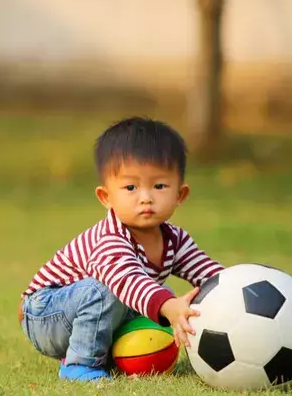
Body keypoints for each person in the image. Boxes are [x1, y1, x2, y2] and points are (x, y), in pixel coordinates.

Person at [18, 116, 224, 382]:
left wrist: (236, 288)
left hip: (85, 309)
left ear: (179, 195)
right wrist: (169, 306)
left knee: (163, 297)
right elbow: (127, 282)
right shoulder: (110, 239)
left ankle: (123, 356)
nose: (146, 197)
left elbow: (208, 274)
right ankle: (79, 364)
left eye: (159, 186)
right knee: (112, 292)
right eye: (130, 187)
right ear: (106, 198)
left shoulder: (176, 239)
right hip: (45, 314)